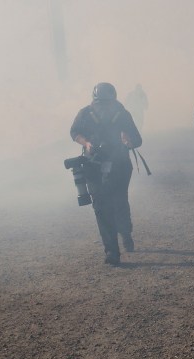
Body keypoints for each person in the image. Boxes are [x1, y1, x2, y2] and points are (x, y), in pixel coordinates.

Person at [70, 82, 142, 265]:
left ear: (113, 101)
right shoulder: (85, 113)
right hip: (93, 166)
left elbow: (137, 139)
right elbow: (74, 132)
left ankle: (125, 233)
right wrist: (86, 144)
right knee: (101, 207)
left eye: (106, 103)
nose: (103, 107)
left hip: (119, 165)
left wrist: (128, 141)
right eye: (99, 103)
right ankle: (111, 251)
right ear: (94, 101)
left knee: (119, 201)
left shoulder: (123, 114)